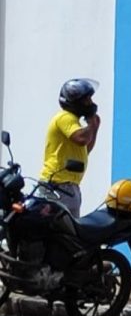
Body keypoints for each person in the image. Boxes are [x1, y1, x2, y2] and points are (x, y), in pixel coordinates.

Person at [39, 78, 101, 218]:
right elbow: (81, 139)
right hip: (56, 185)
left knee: (70, 236)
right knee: (54, 231)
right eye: (87, 100)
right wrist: (91, 124)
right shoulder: (65, 117)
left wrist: (95, 128)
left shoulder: (75, 123)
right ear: (75, 102)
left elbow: (85, 149)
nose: (91, 104)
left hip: (71, 187)